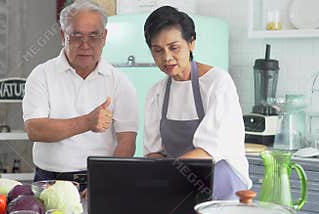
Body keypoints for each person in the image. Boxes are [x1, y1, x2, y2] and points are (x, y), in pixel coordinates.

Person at [22, 0, 138, 195]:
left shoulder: (120, 81)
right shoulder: (41, 74)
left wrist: (105, 180)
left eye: (93, 36)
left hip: (100, 179)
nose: (85, 45)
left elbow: (127, 141)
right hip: (49, 181)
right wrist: (86, 122)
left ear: (104, 37)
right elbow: (35, 129)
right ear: (62, 36)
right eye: (76, 36)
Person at [143, 6, 251, 200]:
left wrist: (164, 176)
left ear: (191, 43)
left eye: (174, 48)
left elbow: (208, 152)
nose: (166, 58)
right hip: (180, 187)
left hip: (223, 186)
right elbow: (155, 154)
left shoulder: (217, 82)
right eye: (158, 50)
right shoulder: (156, 93)